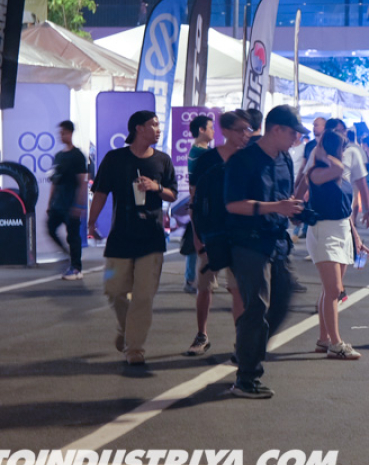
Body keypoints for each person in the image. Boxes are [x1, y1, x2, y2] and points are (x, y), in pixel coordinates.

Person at [223, 104, 307, 398]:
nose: (297, 139)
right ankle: (246, 377)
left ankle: (248, 351)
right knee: (256, 307)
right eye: (294, 133)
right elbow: (233, 205)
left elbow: (285, 199)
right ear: (276, 129)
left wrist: (294, 211)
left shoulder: (285, 159)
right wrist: (277, 207)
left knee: (283, 301)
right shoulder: (242, 160)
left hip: (277, 239)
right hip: (248, 241)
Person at [88, 111, 177, 368]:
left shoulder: (163, 160)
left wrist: (156, 187)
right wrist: (91, 223)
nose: (159, 129)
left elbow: (172, 194)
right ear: (139, 129)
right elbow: (101, 193)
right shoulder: (115, 159)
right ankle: (127, 329)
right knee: (114, 290)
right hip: (120, 236)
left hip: (152, 236)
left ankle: (135, 348)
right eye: (154, 125)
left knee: (143, 296)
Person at [184, 109, 253, 358]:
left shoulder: (248, 159)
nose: (245, 134)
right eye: (240, 130)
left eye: (248, 129)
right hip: (211, 231)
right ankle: (202, 334)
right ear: (226, 131)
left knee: (237, 289)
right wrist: (195, 232)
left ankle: (241, 341)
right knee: (205, 286)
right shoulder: (207, 159)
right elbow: (194, 196)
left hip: (240, 233)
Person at [302, 121, 369, 360]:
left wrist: (356, 236)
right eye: (342, 147)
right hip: (324, 231)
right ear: (334, 150)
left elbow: (346, 208)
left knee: (330, 290)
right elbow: (339, 169)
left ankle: (324, 339)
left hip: (341, 229)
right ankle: (336, 343)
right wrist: (321, 153)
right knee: (334, 290)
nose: (345, 151)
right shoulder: (318, 172)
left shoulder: (334, 170)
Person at [48, 120, 89, 281]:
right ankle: (67, 255)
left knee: (73, 236)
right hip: (58, 203)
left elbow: (82, 182)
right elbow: (54, 181)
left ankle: (76, 268)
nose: (61, 135)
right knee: (50, 228)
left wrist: (79, 204)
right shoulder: (58, 156)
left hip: (71, 202)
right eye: (60, 132)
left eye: (63, 132)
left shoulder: (78, 156)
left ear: (70, 133)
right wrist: (50, 203)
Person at [182, 115, 216, 292]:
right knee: (199, 242)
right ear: (201, 130)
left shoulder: (200, 150)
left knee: (198, 241)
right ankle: (193, 280)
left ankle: (193, 278)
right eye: (210, 127)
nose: (213, 131)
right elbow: (194, 183)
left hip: (201, 202)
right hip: (203, 203)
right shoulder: (202, 153)